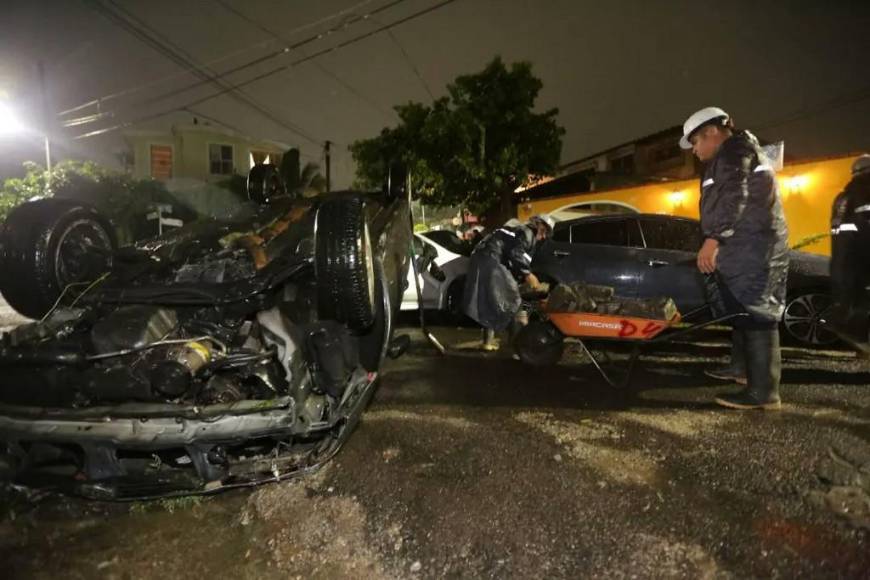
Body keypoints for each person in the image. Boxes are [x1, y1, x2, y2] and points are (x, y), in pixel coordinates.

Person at [679, 106, 789, 410]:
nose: (695, 152)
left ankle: (763, 392)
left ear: (712, 132)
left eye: (697, 143)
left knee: (756, 315)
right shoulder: (738, 152)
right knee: (743, 310)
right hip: (748, 246)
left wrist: (713, 239)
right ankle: (743, 371)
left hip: (750, 247)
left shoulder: (732, 153)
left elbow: (735, 197)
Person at [462, 214, 555, 350]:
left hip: (480, 258)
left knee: (491, 300)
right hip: (491, 260)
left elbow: (512, 257)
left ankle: (487, 343)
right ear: (538, 225)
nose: (544, 236)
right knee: (514, 300)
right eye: (544, 231)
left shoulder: (517, 230)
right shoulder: (527, 233)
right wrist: (529, 275)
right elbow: (517, 255)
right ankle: (520, 347)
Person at [829, 154, 870, 352]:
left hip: (840, 262)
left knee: (850, 302)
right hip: (863, 259)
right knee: (863, 304)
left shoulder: (841, 197)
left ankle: (856, 342)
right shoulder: (866, 191)